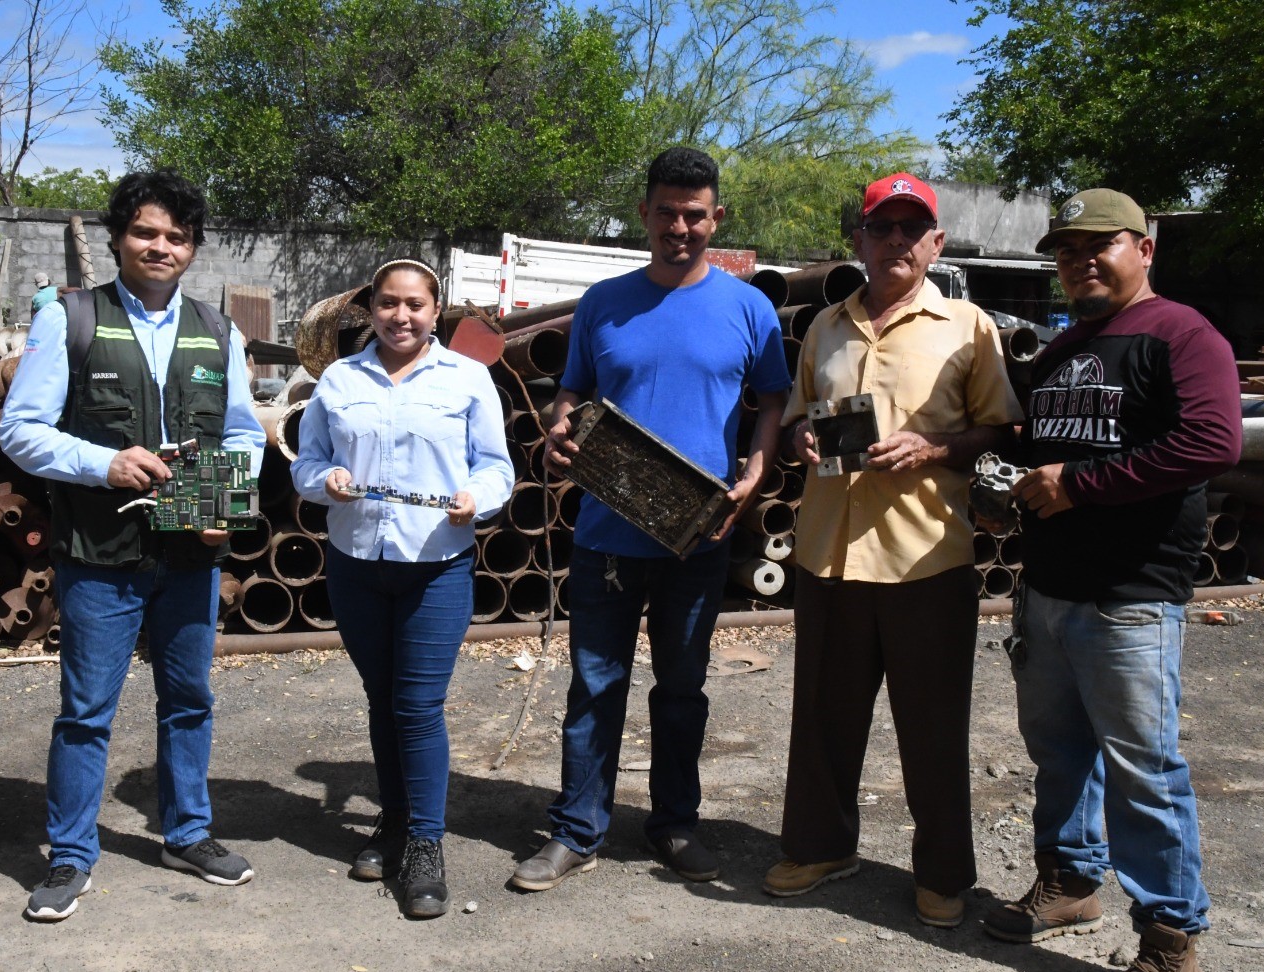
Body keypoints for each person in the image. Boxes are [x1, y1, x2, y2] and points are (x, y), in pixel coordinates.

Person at [988, 189, 1240, 972]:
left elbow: (1212, 441)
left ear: (1145, 247)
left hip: (1132, 595)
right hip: (1050, 587)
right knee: (1058, 751)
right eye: (1067, 251)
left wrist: (1081, 485)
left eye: (1101, 245)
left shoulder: (1181, 334)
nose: (1082, 261)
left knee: (1143, 769)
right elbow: (1033, 444)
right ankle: (1068, 880)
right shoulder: (1067, 346)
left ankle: (1173, 943)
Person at [509, 147, 790, 891]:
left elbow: (772, 405)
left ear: (716, 219)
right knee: (595, 687)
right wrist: (559, 431)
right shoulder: (604, 300)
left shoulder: (749, 308)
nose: (680, 227)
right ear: (644, 214)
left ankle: (673, 824)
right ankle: (576, 830)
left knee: (681, 689)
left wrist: (757, 473)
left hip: (697, 537)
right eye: (666, 211)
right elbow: (571, 394)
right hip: (606, 535)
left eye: (695, 215)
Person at [0, 170, 266, 922]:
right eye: (146, 232)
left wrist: (224, 503)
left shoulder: (218, 332)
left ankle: (186, 833)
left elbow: (244, 435)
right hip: (100, 555)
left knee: (189, 700)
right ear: (118, 238)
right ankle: (72, 856)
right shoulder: (70, 319)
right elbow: (19, 430)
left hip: (188, 557)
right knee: (86, 710)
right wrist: (103, 463)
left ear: (192, 249)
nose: (161, 246)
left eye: (176, 236)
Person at [762, 172, 1022, 928]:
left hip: (925, 559)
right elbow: (802, 417)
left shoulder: (969, 326)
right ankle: (820, 844)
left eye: (914, 229)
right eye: (884, 227)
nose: (897, 241)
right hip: (829, 555)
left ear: (936, 243)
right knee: (823, 715)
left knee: (933, 724)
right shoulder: (825, 326)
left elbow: (999, 430)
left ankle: (944, 873)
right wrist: (803, 433)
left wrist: (935, 445)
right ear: (861, 240)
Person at [290, 259, 513, 919]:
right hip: (358, 560)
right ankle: (392, 822)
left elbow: (496, 467)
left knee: (417, 706)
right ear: (372, 309)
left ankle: (425, 844)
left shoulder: (468, 379)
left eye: (414, 304)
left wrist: (479, 498)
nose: (401, 316)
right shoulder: (338, 379)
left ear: (434, 310)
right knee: (382, 698)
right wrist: (322, 481)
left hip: (435, 564)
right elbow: (306, 461)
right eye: (389, 304)